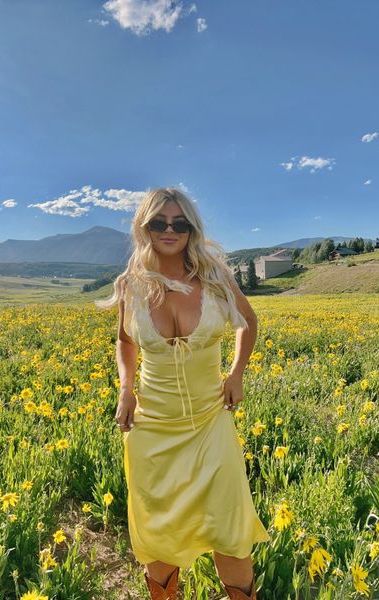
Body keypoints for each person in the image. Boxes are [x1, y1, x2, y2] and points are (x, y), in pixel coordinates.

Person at [96, 187, 270, 599]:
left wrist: (236, 373)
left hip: (211, 421)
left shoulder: (214, 278)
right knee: (159, 531)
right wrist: (126, 389)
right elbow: (125, 341)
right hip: (152, 429)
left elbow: (249, 322)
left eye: (180, 223)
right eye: (159, 222)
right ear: (145, 228)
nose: (169, 230)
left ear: (192, 228)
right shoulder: (131, 286)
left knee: (229, 528)